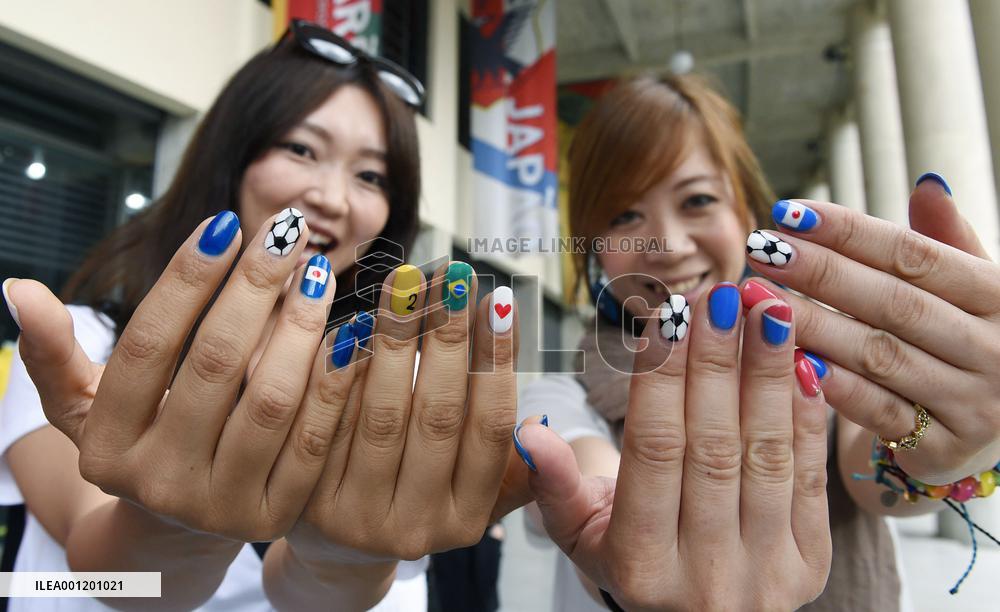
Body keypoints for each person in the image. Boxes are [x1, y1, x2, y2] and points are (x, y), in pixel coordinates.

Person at [0, 20, 525, 611]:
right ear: (233, 157)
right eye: (301, 149)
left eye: (371, 176)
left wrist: (345, 560)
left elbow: (321, 597)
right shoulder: (85, 347)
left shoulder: (394, 384)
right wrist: (175, 529)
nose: (332, 197)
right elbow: (101, 572)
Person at [517, 73, 1000, 611]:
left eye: (697, 200)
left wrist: (940, 444)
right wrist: (619, 551)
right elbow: (584, 489)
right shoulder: (561, 396)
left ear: (748, 213)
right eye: (624, 215)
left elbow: (867, 471)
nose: (670, 245)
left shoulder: (823, 355)